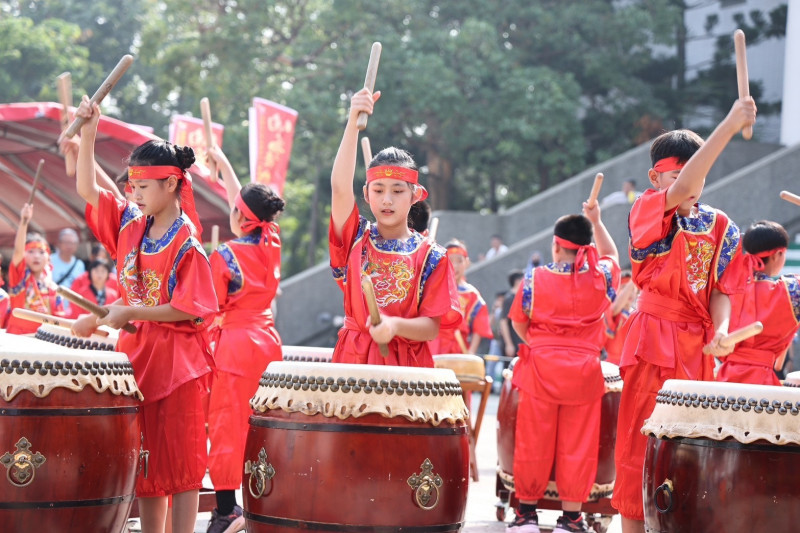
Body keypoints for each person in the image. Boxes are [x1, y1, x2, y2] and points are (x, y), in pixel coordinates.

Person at [72, 95, 217, 533]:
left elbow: (190, 308)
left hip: (178, 363)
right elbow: (88, 190)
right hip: (138, 356)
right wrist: (89, 133)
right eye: (132, 186)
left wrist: (130, 310)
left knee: (182, 463)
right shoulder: (131, 225)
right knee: (149, 462)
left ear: (171, 184)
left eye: (142, 187)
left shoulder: (187, 243)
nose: (134, 194)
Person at [611, 97, 757, 533]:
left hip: (697, 346)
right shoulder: (648, 209)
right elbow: (683, 187)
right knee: (641, 445)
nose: (693, 183)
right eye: (679, 174)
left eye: (699, 174)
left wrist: (723, 331)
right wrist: (728, 125)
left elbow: (721, 289)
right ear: (656, 178)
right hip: (654, 339)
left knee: (691, 449)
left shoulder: (720, 226)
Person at [506, 204, 620, 533]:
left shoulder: (534, 278)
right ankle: (571, 519)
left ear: (556, 245)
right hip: (583, 372)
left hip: (541, 369)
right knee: (577, 446)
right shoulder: (601, 276)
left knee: (533, 442)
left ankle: (526, 515)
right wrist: (597, 221)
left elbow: (518, 322)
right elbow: (612, 254)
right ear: (587, 246)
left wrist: (541, 344)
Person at [329, 87, 461, 367]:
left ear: (415, 195)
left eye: (398, 191)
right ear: (366, 194)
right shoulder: (355, 238)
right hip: (354, 360)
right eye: (378, 190)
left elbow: (431, 327)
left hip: (406, 365)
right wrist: (352, 121)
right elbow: (340, 189)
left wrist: (395, 325)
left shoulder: (432, 256)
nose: (387, 200)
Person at [204, 146, 285, 533]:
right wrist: (223, 164)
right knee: (262, 424)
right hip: (267, 344)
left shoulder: (224, 255)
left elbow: (210, 307)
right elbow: (248, 206)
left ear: (240, 215)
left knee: (226, 425)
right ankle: (261, 501)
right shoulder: (272, 242)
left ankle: (226, 509)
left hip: (235, 346)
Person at [716, 221, 800, 386]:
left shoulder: (725, 289)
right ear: (777, 255)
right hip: (762, 382)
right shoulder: (791, 290)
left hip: (725, 379)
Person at [6, 204, 65, 334]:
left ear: (49, 257)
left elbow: (59, 319)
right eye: (31, 251)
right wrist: (24, 221)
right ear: (24, 255)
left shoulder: (53, 288)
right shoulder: (20, 277)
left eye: (41, 252)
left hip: (43, 338)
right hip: (18, 338)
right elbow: (18, 251)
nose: (36, 256)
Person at [430, 240, 494, 355]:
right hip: (432, 345)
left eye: (459, 261)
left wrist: (471, 351)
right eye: (450, 260)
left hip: (459, 348)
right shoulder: (432, 288)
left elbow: (479, 326)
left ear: (467, 263)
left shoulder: (472, 294)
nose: (455, 266)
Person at [602, 270, 638, 365]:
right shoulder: (609, 308)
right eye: (623, 287)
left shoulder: (637, 314)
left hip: (630, 366)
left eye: (632, 289)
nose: (629, 293)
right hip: (611, 366)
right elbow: (616, 308)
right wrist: (634, 277)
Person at [50, 228, 86, 313]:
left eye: (72, 243)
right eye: (66, 242)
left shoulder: (79, 265)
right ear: (59, 243)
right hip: (54, 308)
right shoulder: (49, 260)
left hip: (73, 310)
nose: (69, 246)